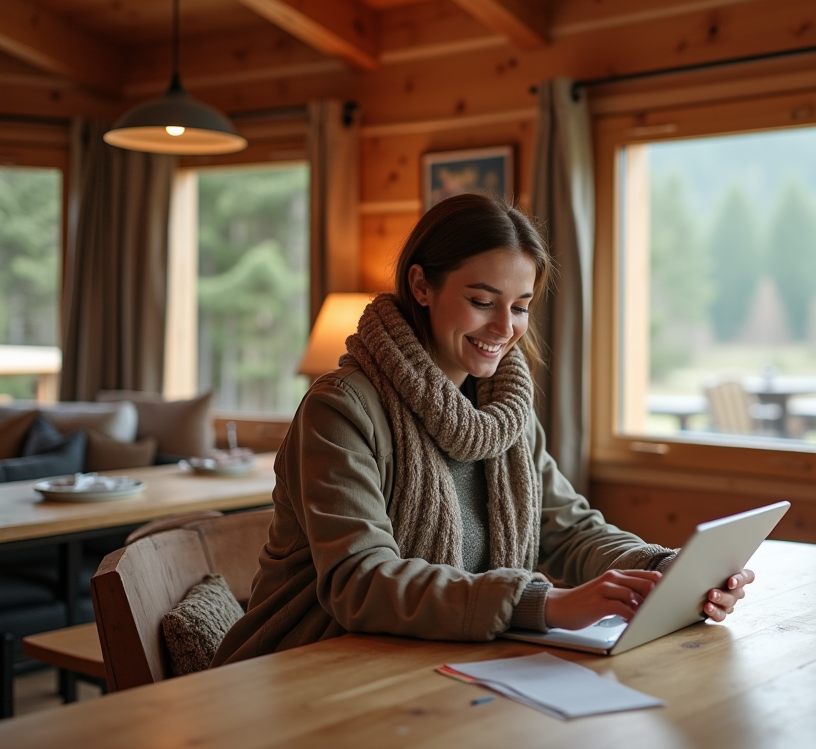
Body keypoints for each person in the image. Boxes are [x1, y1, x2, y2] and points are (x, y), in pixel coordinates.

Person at [213, 193, 754, 665]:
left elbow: (567, 530)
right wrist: (544, 603)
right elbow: (362, 582)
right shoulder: (340, 409)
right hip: (305, 667)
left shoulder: (506, 413)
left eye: (520, 307)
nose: (504, 327)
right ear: (421, 285)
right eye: (482, 302)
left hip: (432, 663)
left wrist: (667, 569)